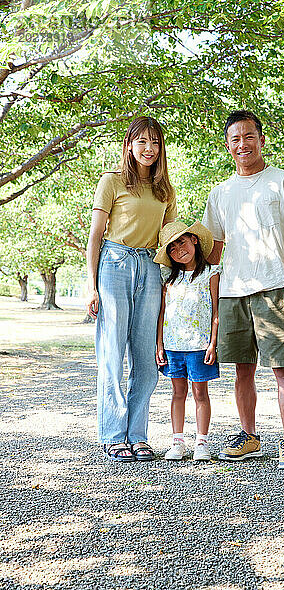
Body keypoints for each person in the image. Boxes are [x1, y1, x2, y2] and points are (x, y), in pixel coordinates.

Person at [202, 110, 284, 470]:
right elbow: (214, 247)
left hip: (275, 287)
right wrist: (206, 293)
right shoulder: (220, 192)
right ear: (227, 146)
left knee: (282, 368)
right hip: (233, 291)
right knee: (242, 369)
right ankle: (249, 437)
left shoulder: (283, 182)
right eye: (235, 139)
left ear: (261, 140)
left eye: (249, 136)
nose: (243, 144)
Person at [86, 116, 177, 462]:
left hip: (150, 268)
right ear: (128, 145)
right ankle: (113, 434)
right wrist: (91, 284)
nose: (149, 149)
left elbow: (167, 238)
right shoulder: (111, 182)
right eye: (142, 141)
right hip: (115, 265)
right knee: (111, 354)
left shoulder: (164, 190)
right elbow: (96, 235)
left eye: (155, 143)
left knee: (146, 360)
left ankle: (137, 433)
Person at [154, 221, 220, 461]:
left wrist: (213, 343)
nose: (178, 249)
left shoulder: (210, 273)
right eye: (171, 247)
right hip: (172, 345)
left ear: (194, 240)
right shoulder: (169, 279)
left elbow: (216, 311)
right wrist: (159, 344)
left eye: (181, 241)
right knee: (177, 392)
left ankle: (201, 441)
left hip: (199, 346)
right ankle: (178, 441)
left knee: (200, 393)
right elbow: (163, 313)